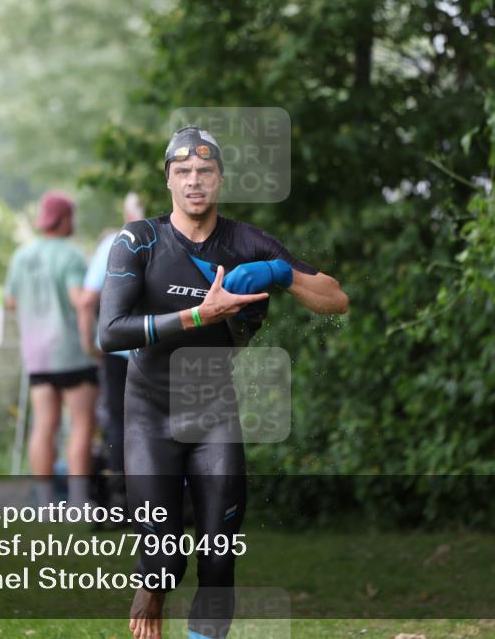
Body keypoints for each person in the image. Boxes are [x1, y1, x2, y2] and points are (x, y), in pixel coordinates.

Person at [98, 126, 349, 639]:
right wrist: (200, 314)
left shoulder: (245, 241)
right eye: (183, 172)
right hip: (150, 414)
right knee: (163, 556)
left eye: (205, 171)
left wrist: (282, 273)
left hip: (214, 412)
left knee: (219, 553)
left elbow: (336, 299)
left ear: (220, 179)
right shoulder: (138, 240)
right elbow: (109, 333)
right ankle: (152, 588)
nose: (195, 181)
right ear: (168, 180)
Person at [5, 191, 98, 510]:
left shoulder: (21, 256)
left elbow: (11, 301)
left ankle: (44, 503)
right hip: (70, 351)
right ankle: (77, 501)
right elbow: (79, 299)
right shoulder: (71, 256)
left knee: (44, 426)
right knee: (82, 424)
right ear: (62, 219)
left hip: (37, 355)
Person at [81, 193, 146, 491]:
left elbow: (87, 300)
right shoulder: (173, 240)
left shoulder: (113, 244)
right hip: (156, 344)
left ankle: (122, 490)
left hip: (118, 346)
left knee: (119, 420)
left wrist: (90, 343)